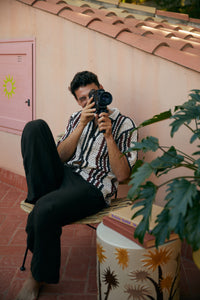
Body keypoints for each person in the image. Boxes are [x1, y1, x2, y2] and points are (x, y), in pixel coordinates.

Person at [16, 71, 137, 300]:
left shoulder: (124, 123)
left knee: (45, 209)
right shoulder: (76, 117)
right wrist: (81, 124)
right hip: (64, 175)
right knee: (35, 127)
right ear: (78, 101)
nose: (88, 101)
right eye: (82, 99)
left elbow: (122, 176)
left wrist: (109, 136)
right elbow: (59, 156)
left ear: (101, 89)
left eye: (92, 94)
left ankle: (36, 278)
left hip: (92, 187)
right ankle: (41, 201)